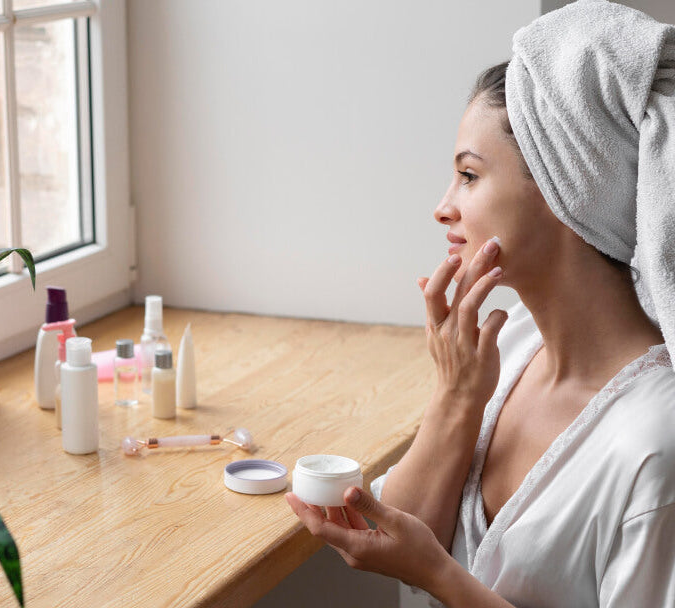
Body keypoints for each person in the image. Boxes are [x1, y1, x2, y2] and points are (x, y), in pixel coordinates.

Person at [286, 2, 675, 606]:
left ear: (561, 186)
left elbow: (423, 566)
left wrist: (443, 577)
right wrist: (456, 397)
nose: (443, 207)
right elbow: (391, 538)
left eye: (469, 175)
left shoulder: (655, 444)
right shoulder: (506, 346)